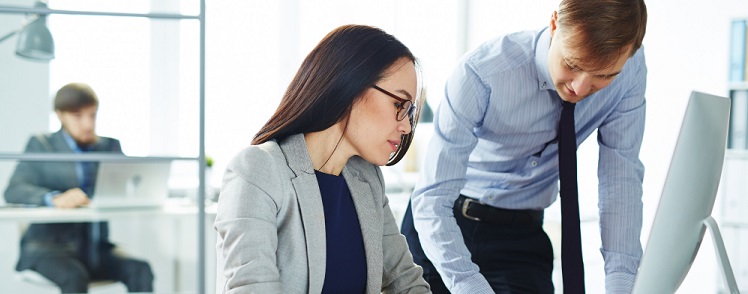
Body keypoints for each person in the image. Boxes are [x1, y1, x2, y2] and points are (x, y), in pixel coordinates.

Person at [401, 0, 648, 293]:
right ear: (555, 24)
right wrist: (470, 286)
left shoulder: (629, 71)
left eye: (604, 76)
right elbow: (433, 198)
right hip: (443, 224)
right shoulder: (482, 73)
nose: (580, 89)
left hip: (520, 236)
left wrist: (623, 285)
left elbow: (621, 180)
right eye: (573, 64)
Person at [213, 24, 431, 293]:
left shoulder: (368, 179)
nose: (407, 127)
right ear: (351, 86)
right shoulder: (257, 171)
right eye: (399, 104)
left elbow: (406, 282)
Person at [4, 83, 154, 293]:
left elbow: (130, 185)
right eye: (78, 116)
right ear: (60, 115)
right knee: (74, 276)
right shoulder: (41, 145)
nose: (88, 124)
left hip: (94, 248)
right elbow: (14, 190)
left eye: (92, 115)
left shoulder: (108, 147)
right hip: (48, 249)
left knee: (140, 270)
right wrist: (54, 198)